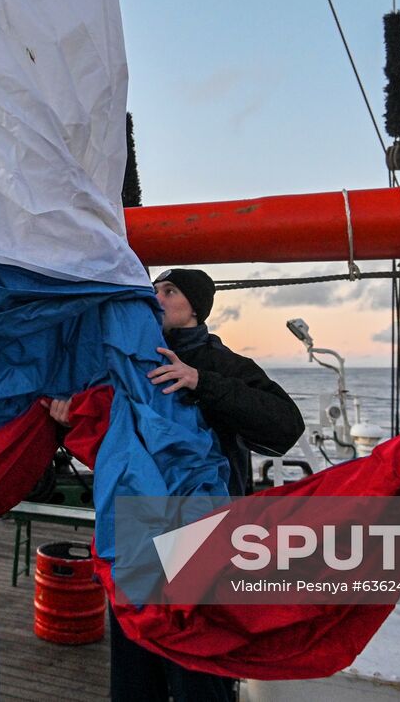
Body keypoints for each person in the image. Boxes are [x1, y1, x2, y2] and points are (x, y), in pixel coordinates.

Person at [49, 267, 304, 702]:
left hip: (204, 536)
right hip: (137, 532)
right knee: (134, 670)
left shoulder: (221, 363)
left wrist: (200, 381)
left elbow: (285, 425)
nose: (157, 298)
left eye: (170, 291)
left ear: (195, 309)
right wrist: (72, 416)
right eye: (153, 290)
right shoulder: (126, 365)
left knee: (196, 671)